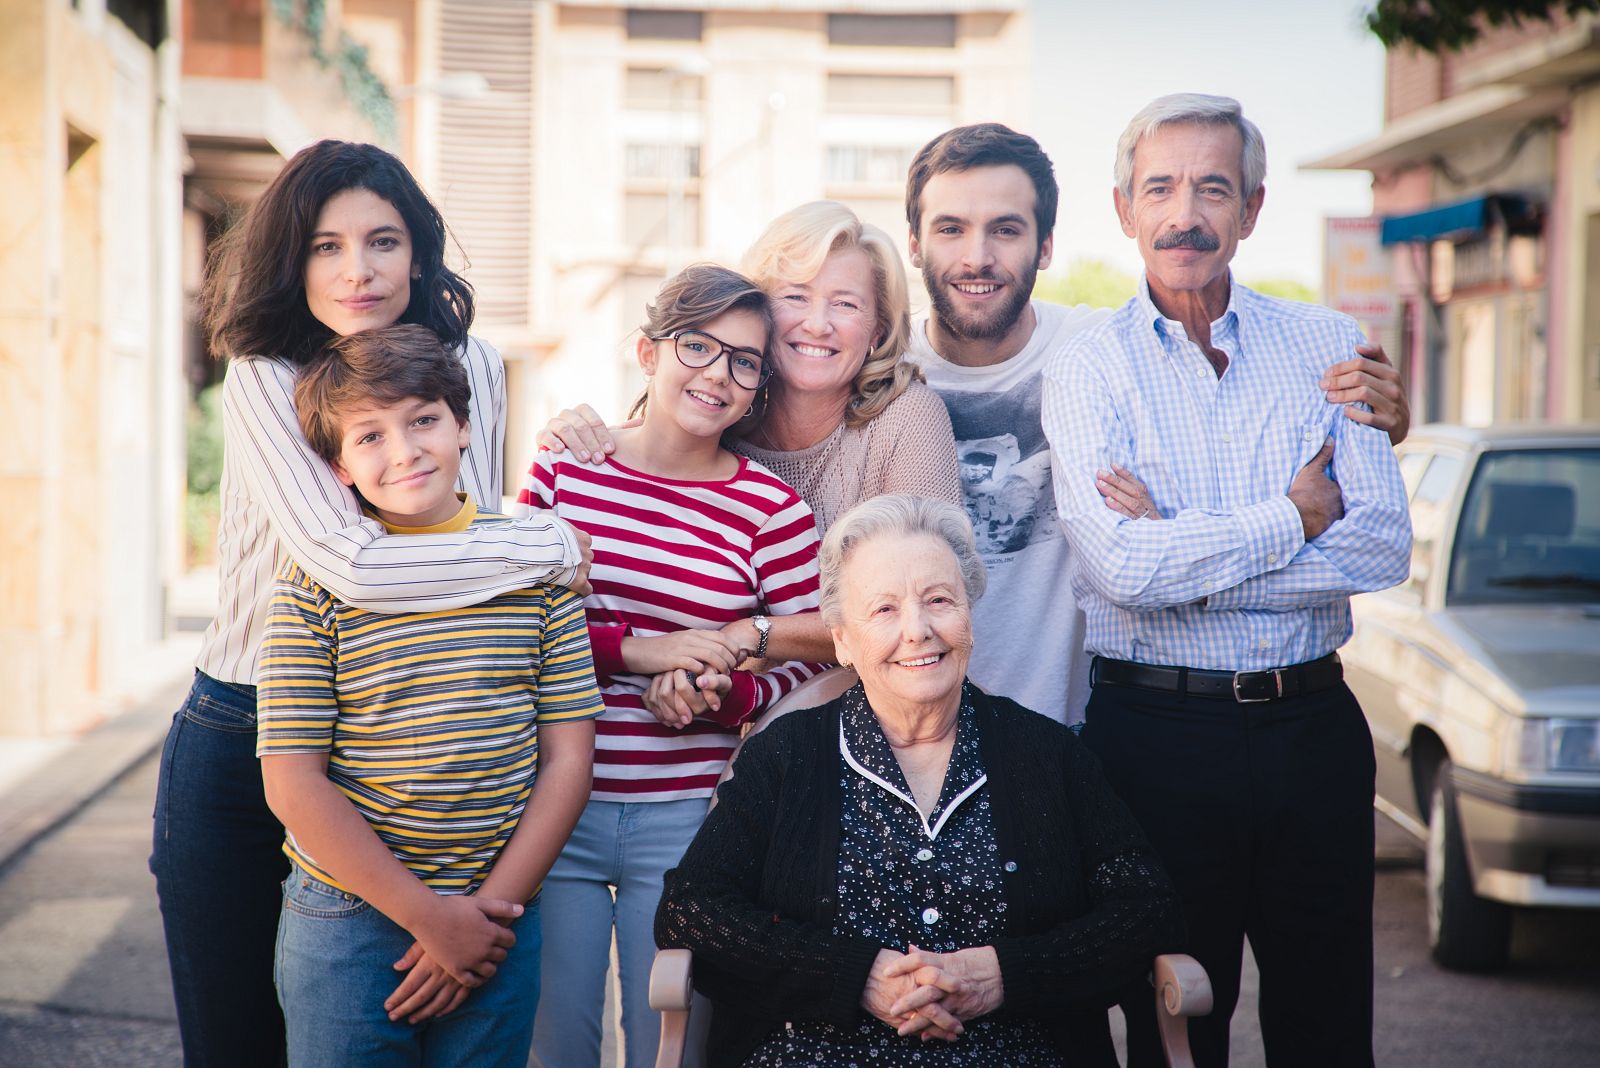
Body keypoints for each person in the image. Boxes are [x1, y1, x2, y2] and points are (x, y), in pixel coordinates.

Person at [150, 139, 589, 1067]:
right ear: (291, 260)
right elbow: (356, 562)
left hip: (417, 734)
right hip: (249, 734)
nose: (359, 270)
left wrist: (517, 549)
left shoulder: (474, 364)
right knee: (238, 1044)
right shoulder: (267, 376)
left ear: (419, 253)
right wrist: (551, 542)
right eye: (326, 246)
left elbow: (461, 547)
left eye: (382, 241)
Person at [1042, 93, 1413, 1067]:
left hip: (1312, 732)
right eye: (1159, 187)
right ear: (1122, 208)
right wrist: (1287, 519)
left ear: (1250, 208)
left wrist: (1181, 552)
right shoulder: (1086, 367)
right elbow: (1118, 570)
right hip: (1153, 739)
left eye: (1213, 186)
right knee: (1171, 1017)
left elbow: (1377, 548)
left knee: (1326, 1020)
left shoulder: (1331, 346)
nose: (1184, 213)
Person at [901, 121, 1412, 726]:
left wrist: (1385, 423)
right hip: (914, 725)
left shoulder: (1098, 349)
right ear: (913, 243)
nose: (977, 256)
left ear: (1045, 246)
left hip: (1067, 728)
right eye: (950, 228)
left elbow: (1254, 428)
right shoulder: (876, 366)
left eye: (1006, 229)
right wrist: (1291, 518)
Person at [655, 494, 1182, 1067]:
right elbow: (691, 910)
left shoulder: (1046, 754)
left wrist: (1006, 974)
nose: (918, 630)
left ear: (970, 617)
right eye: (883, 610)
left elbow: (1147, 906)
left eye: (939, 600)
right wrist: (854, 976)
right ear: (842, 640)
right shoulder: (787, 755)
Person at [256, 325, 601, 1067]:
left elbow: (569, 761)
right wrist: (431, 922)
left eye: (423, 420)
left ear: (464, 426)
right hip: (348, 916)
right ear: (338, 467)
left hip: (499, 910)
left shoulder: (534, 567)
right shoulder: (316, 582)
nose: (404, 450)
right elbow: (292, 781)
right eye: (369, 436)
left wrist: (483, 920)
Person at [519, 265, 827, 1068]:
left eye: (745, 361)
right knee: (558, 1044)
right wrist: (636, 651)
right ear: (649, 353)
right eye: (699, 345)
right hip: (557, 806)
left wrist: (724, 692)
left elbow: (817, 648)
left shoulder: (771, 510)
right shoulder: (564, 469)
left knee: (672, 1043)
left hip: (688, 819)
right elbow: (511, 624)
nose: (718, 374)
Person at [538, 201, 963, 669]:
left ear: (876, 331)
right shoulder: (720, 413)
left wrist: (748, 637)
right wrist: (574, 435)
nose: (817, 324)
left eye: (845, 304)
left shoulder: (906, 419)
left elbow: (926, 605)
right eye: (796, 296)